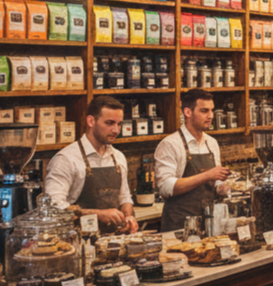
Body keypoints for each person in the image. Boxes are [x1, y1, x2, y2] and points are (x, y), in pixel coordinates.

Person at [45, 96, 138, 234]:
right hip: (77, 240)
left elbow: (124, 197)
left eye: (119, 124)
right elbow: (53, 208)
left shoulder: (118, 157)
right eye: (109, 123)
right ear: (91, 121)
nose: (116, 130)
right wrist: (97, 214)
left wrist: (128, 215)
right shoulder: (66, 159)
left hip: (113, 240)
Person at [154, 89, 230, 232]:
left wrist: (223, 188)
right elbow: (166, 187)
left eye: (211, 110)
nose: (210, 116)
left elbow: (216, 181)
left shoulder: (211, 143)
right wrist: (208, 175)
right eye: (204, 111)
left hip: (208, 222)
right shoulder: (170, 144)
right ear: (188, 112)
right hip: (179, 225)